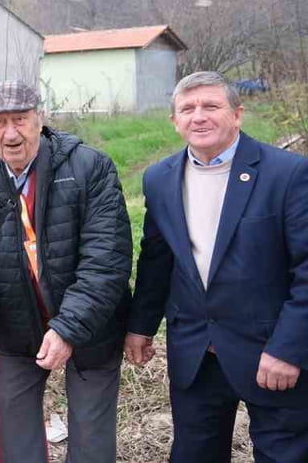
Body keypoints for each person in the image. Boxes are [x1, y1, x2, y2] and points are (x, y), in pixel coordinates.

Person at [125, 71, 308, 463]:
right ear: (175, 121)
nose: (199, 116)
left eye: (211, 106)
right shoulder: (159, 179)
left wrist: (289, 349)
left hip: (270, 353)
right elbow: (157, 259)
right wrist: (140, 326)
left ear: (237, 115)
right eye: (187, 109)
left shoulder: (287, 174)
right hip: (195, 351)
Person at [0, 81, 132, 463]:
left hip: (91, 328)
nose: (11, 133)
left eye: (20, 119)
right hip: (17, 328)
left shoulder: (89, 167)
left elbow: (106, 259)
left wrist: (67, 328)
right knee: (17, 440)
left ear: (40, 119)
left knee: (91, 442)